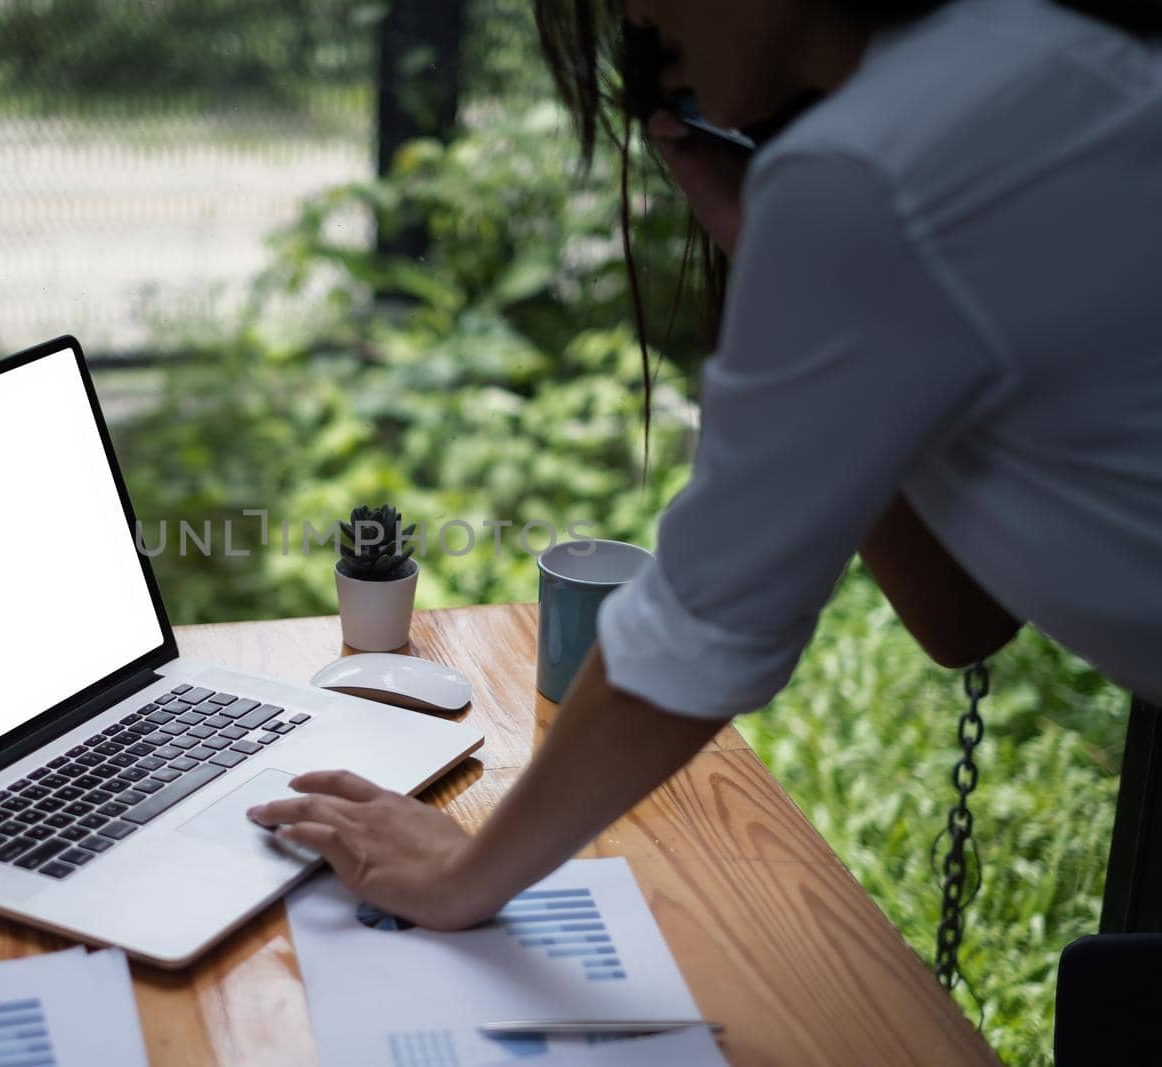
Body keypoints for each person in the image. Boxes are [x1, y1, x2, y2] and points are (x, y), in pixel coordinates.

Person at [247, 0, 1162, 931]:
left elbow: (704, 627)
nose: (637, 11)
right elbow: (962, 615)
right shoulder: (1027, 53)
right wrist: (778, 262)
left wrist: (464, 874)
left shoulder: (867, 172)